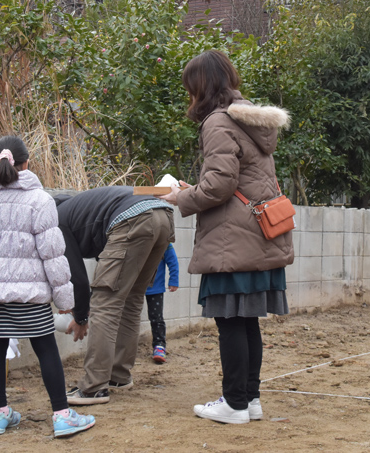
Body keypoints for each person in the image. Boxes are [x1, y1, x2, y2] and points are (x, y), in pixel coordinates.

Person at [158, 50, 294, 424]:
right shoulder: (250, 120)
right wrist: (198, 187)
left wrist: (180, 197)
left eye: (191, 89)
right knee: (246, 320)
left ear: (202, 87)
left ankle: (234, 404)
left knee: (231, 321)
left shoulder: (218, 122)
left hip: (232, 239)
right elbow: (236, 178)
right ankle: (249, 399)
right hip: (257, 236)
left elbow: (219, 185)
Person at [0, 136, 95, 438]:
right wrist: (64, 300)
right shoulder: (41, 201)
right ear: (27, 164)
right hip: (30, 296)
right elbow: (53, 256)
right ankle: (61, 416)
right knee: (45, 347)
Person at [54, 186, 175, 405]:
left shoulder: (57, 222)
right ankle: (118, 376)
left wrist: (81, 317)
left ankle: (93, 387)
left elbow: (79, 279)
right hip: (163, 216)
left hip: (134, 219)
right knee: (132, 299)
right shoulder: (83, 208)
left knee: (105, 304)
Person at [145, 243, 179, 364]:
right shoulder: (134, 236)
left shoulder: (164, 241)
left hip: (155, 287)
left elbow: (172, 260)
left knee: (156, 318)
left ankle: (159, 345)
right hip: (134, 288)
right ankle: (126, 348)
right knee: (129, 319)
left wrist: (174, 279)